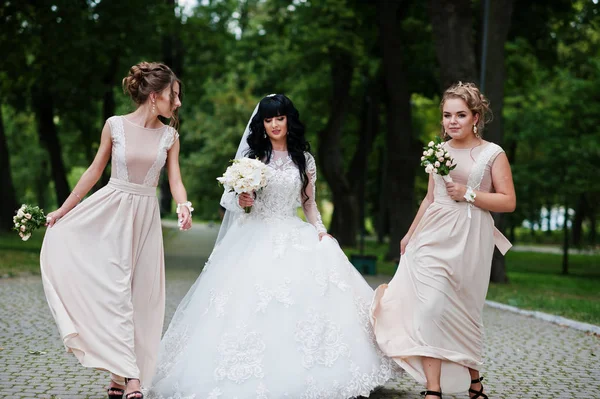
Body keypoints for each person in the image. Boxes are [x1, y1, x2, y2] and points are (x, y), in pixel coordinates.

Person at [147, 94, 396, 399]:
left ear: (288, 120)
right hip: (255, 236)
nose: (275, 124)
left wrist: (320, 231)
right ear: (261, 124)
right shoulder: (253, 159)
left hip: (293, 230)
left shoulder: (304, 159)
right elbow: (240, 203)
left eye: (280, 118)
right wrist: (243, 200)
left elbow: (309, 203)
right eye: (269, 119)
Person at [40, 62, 192, 399]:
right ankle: (131, 377)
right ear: (155, 96)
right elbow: (94, 171)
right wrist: (63, 211)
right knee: (116, 292)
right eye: (174, 95)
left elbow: (175, 180)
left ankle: (119, 376)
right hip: (111, 213)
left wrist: (184, 205)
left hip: (145, 218)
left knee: (141, 298)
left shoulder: (170, 136)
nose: (178, 102)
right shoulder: (115, 126)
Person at [370, 82, 516, 399]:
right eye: (447, 115)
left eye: (460, 115)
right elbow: (429, 198)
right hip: (432, 237)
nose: (452, 121)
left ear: (475, 117)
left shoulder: (493, 154)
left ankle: (474, 382)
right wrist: (410, 234)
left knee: (464, 311)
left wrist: (470, 194)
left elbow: (508, 201)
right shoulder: (439, 151)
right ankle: (432, 390)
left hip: (470, 238)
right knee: (430, 308)